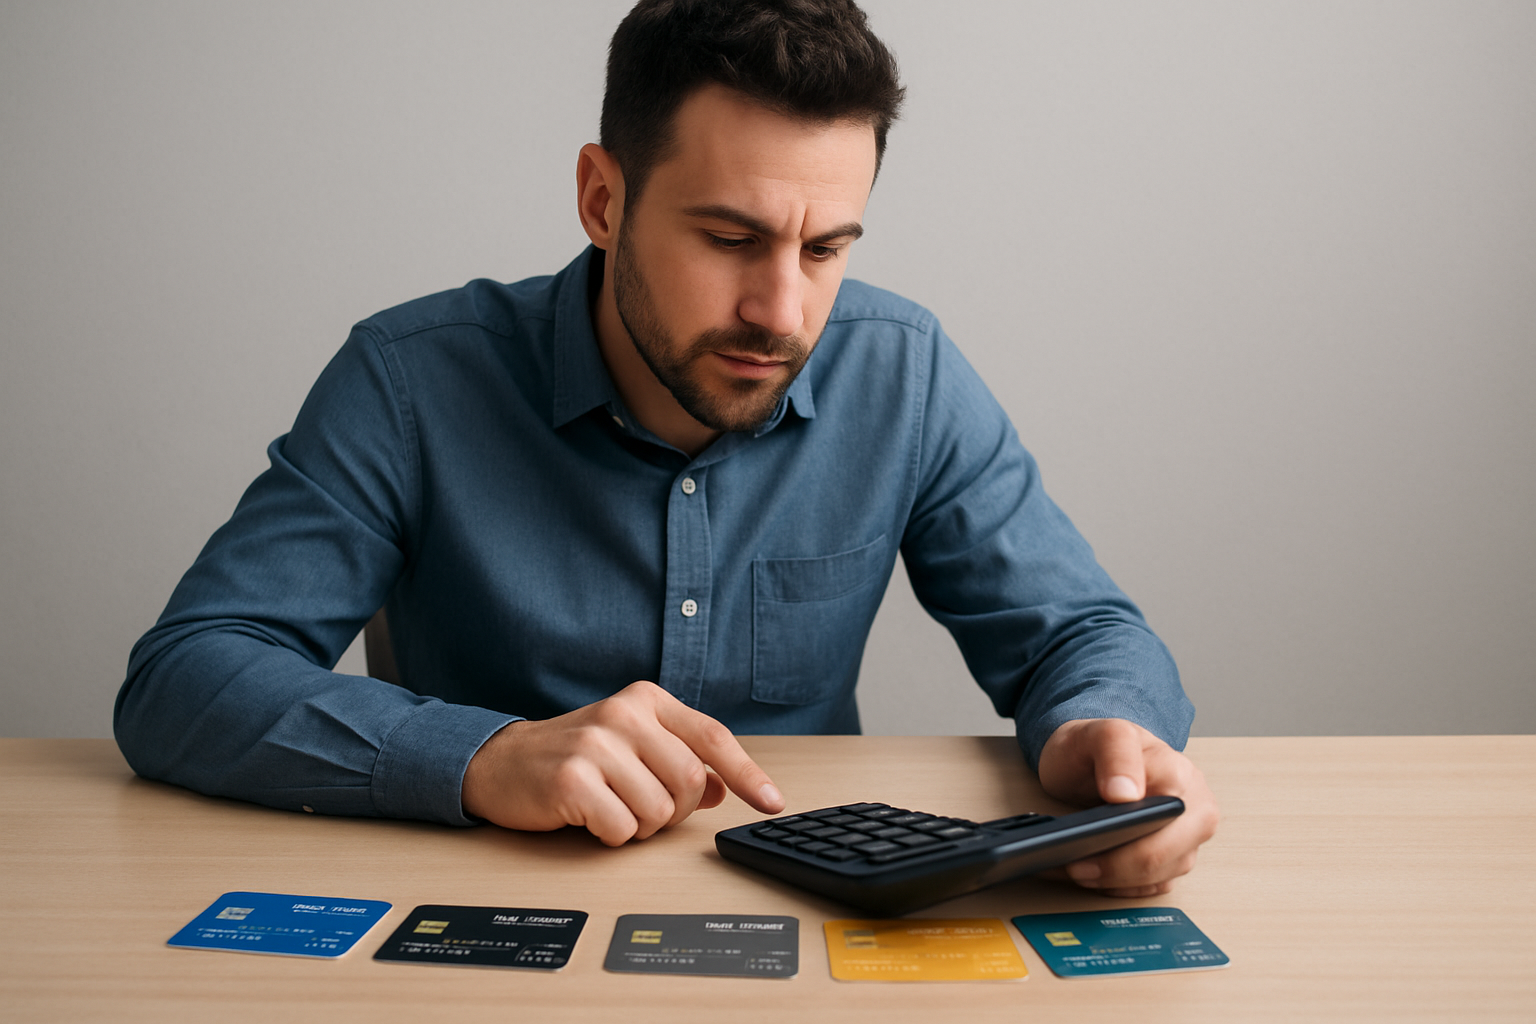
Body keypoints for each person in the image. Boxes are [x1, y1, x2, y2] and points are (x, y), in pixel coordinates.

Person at [116, 0, 1217, 898]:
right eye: (731, 238)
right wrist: (485, 757)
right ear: (603, 199)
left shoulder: (905, 370)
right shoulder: (410, 380)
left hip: (809, 920)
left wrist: (1105, 734)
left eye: (825, 249)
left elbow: (1081, 631)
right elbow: (187, 674)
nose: (782, 311)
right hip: (486, 917)